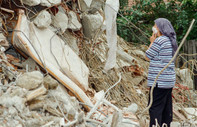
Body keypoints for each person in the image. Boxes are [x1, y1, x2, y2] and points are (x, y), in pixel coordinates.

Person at [145, 18, 178, 127]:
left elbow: (147, 56)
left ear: (159, 28)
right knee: (166, 107)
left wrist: (152, 42)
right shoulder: (171, 40)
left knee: (155, 107)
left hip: (159, 81)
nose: (154, 27)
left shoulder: (160, 40)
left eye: (155, 25)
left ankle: (155, 125)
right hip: (168, 81)